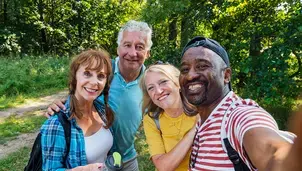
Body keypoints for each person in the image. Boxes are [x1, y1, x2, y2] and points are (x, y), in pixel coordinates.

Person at [45, 20, 153, 171]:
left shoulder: (151, 82)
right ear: (118, 48)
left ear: (147, 53)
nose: (133, 53)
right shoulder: (103, 70)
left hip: (127, 158)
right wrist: (61, 105)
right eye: (127, 45)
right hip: (95, 157)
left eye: (140, 47)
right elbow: (81, 90)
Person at [179, 36, 297, 171]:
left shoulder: (238, 116)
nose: (190, 76)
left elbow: (273, 151)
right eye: (184, 69)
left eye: (202, 66)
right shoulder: (202, 122)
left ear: (226, 75)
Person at [41, 49, 114, 170]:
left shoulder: (101, 109)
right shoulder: (57, 124)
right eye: (87, 73)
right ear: (75, 77)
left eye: (101, 76)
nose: (94, 82)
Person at [140, 63, 198, 171]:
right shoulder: (152, 120)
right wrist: (194, 131)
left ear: (178, 83)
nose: (158, 91)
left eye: (163, 82)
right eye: (151, 88)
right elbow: (163, 166)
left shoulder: (201, 110)